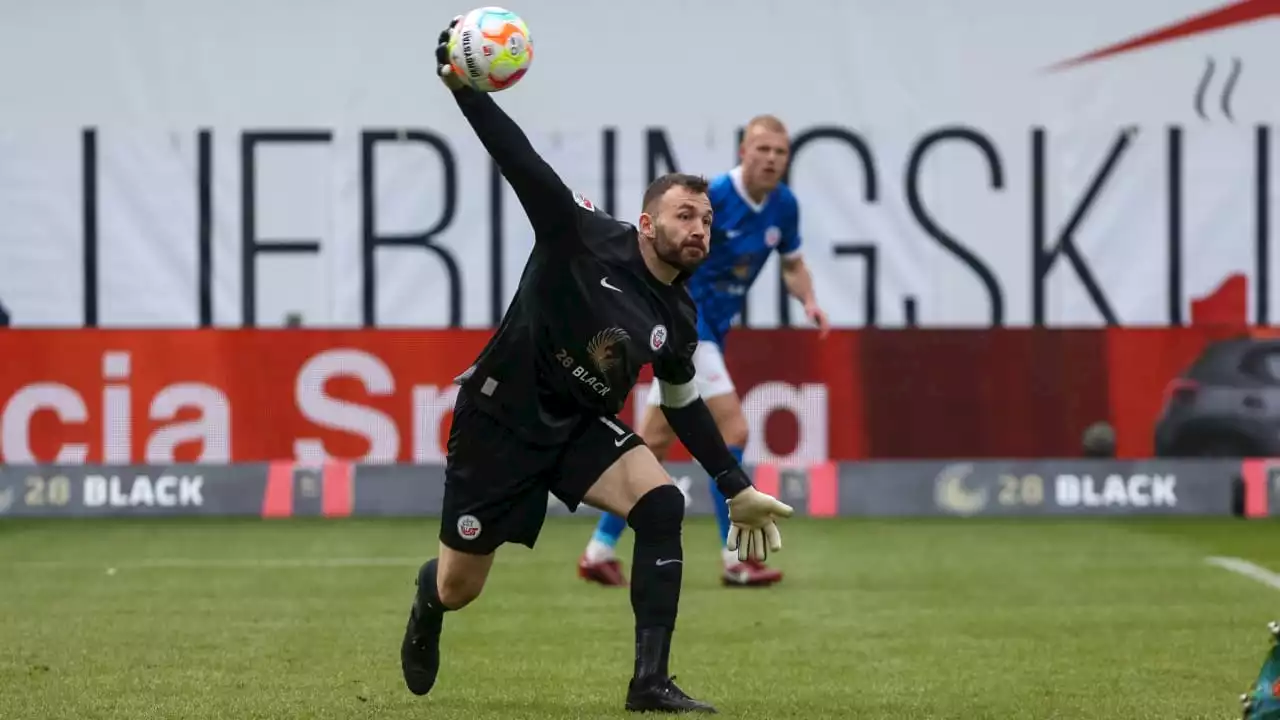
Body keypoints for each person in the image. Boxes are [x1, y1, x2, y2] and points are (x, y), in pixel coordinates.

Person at [400, 18, 796, 714]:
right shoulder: (577, 235)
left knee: (663, 504)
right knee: (461, 587)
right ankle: (426, 602)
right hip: (500, 420)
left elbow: (680, 404)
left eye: (706, 219)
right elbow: (520, 162)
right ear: (648, 224)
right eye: (684, 216)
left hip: (580, 426)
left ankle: (649, 682)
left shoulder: (679, 317)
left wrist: (734, 486)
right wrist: (465, 92)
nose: (699, 228)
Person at [577, 115, 829, 589]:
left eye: (780, 152)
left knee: (653, 442)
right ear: (743, 153)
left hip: (709, 334)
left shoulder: (784, 205)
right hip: (689, 327)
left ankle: (598, 550)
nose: (771, 160)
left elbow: (793, 265)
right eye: (763, 150)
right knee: (732, 428)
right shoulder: (712, 200)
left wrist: (809, 299)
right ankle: (737, 558)